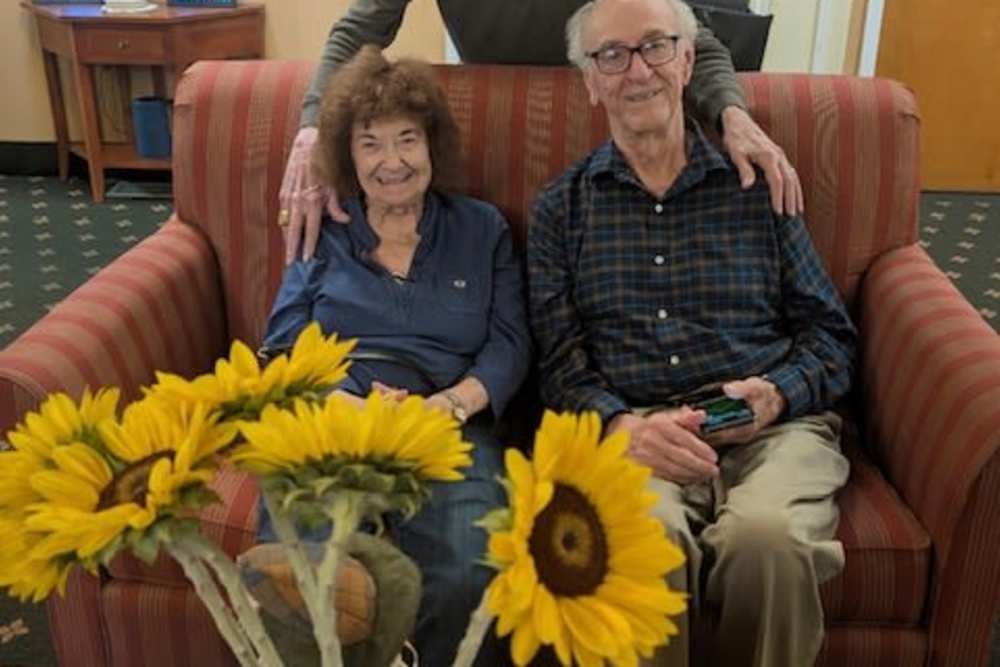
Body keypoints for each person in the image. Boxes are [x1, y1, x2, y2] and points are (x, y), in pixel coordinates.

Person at [527, 0, 857, 665]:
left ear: (687, 60)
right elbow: (560, 366)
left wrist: (777, 393)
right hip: (635, 431)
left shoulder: (755, 184)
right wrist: (622, 427)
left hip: (772, 429)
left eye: (654, 46)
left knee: (767, 539)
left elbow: (831, 335)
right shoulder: (561, 210)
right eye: (611, 56)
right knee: (638, 537)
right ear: (589, 81)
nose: (636, 69)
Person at [259, 45, 531, 666]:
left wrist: (451, 405)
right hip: (333, 421)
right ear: (346, 157)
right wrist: (345, 401)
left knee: (471, 570)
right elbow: (281, 341)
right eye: (370, 144)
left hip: (448, 426)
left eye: (407, 139)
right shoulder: (323, 227)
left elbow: (511, 341)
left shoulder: (481, 229)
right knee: (306, 573)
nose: (392, 162)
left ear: (432, 144)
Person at [278, 0, 804, 265]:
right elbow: (358, 31)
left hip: (609, 105)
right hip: (505, 119)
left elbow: (690, 36)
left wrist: (734, 115)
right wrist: (311, 131)